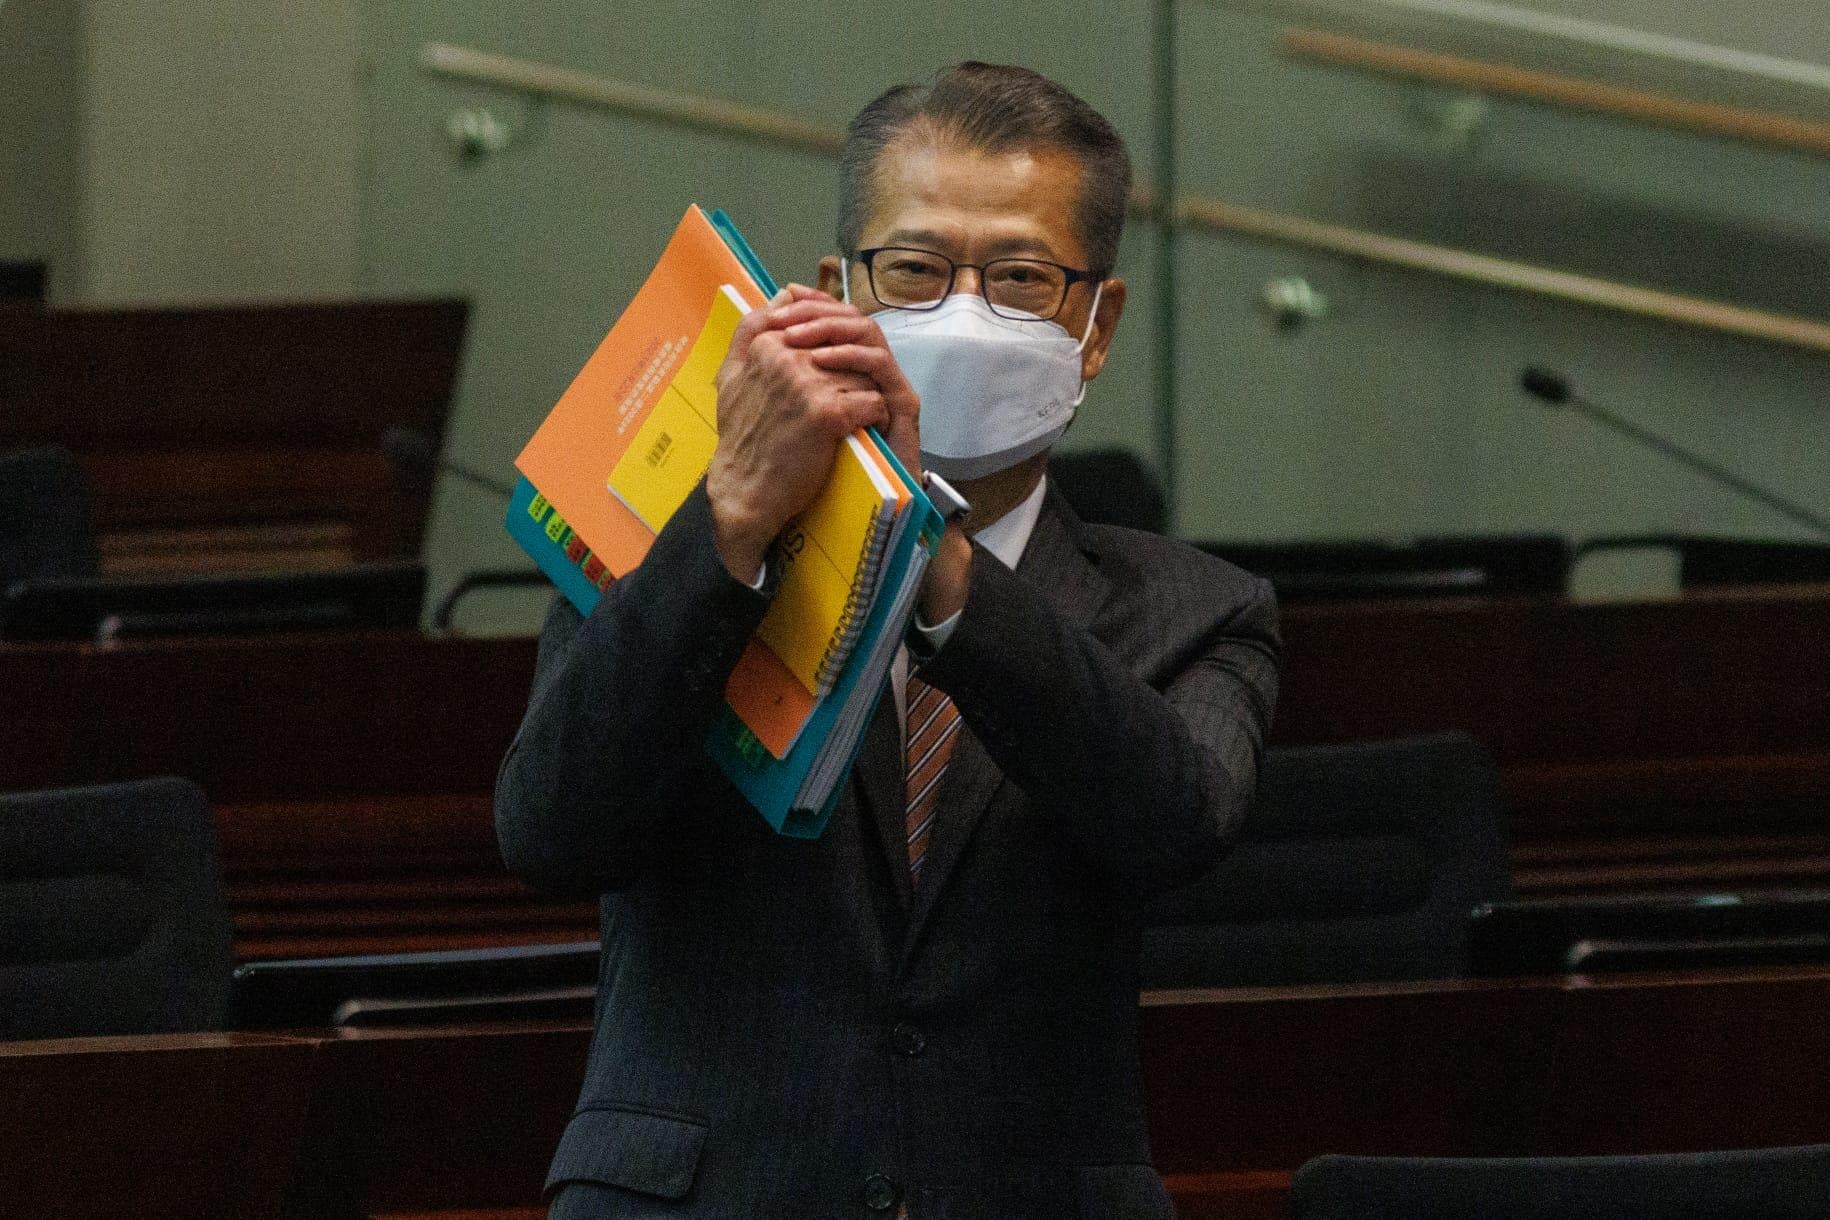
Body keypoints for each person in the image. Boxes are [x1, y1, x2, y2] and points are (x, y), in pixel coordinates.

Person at [497, 61, 1280, 1220]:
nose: (963, 312)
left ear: (1097, 325)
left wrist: (936, 560)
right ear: (836, 292)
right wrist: (729, 529)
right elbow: (551, 829)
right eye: (914, 269)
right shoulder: (660, 540)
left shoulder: (1198, 607)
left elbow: (1174, 822)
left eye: (1020, 278)